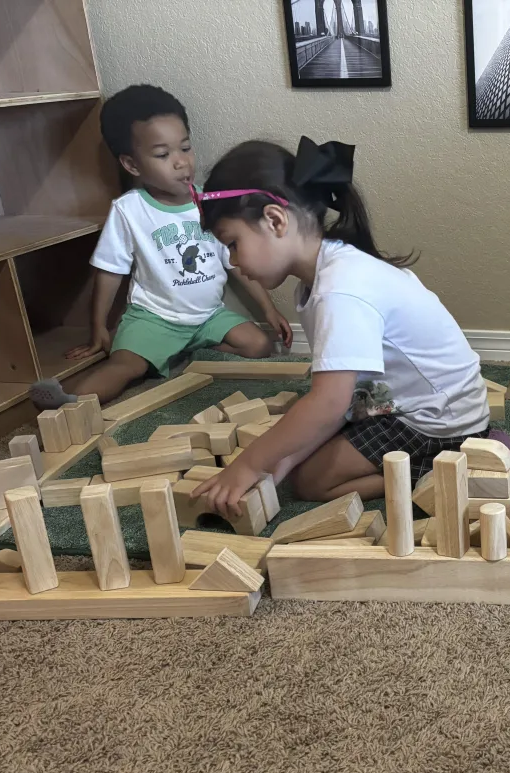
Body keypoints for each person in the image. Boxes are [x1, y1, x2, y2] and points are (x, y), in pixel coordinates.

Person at [189, 137, 489, 516]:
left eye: (233, 243)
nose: (232, 261)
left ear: (275, 220)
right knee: (297, 442)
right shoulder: (325, 275)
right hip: (418, 406)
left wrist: (249, 463)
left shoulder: (340, 288)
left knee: (311, 481)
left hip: (442, 425)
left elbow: (329, 404)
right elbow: (335, 396)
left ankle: (450, 471)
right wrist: (283, 453)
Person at [28, 85, 291, 409]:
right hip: (153, 319)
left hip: (209, 316)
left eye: (185, 148)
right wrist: (98, 328)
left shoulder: (210, 202)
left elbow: (236, 262)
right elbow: (109, 272)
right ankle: (69, 403)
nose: (181, 163)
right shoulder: (130, 210)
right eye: (164, 155)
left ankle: (192, 357)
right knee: (125, 366)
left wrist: (268, 309)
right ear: (132, 165)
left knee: (259, 345)